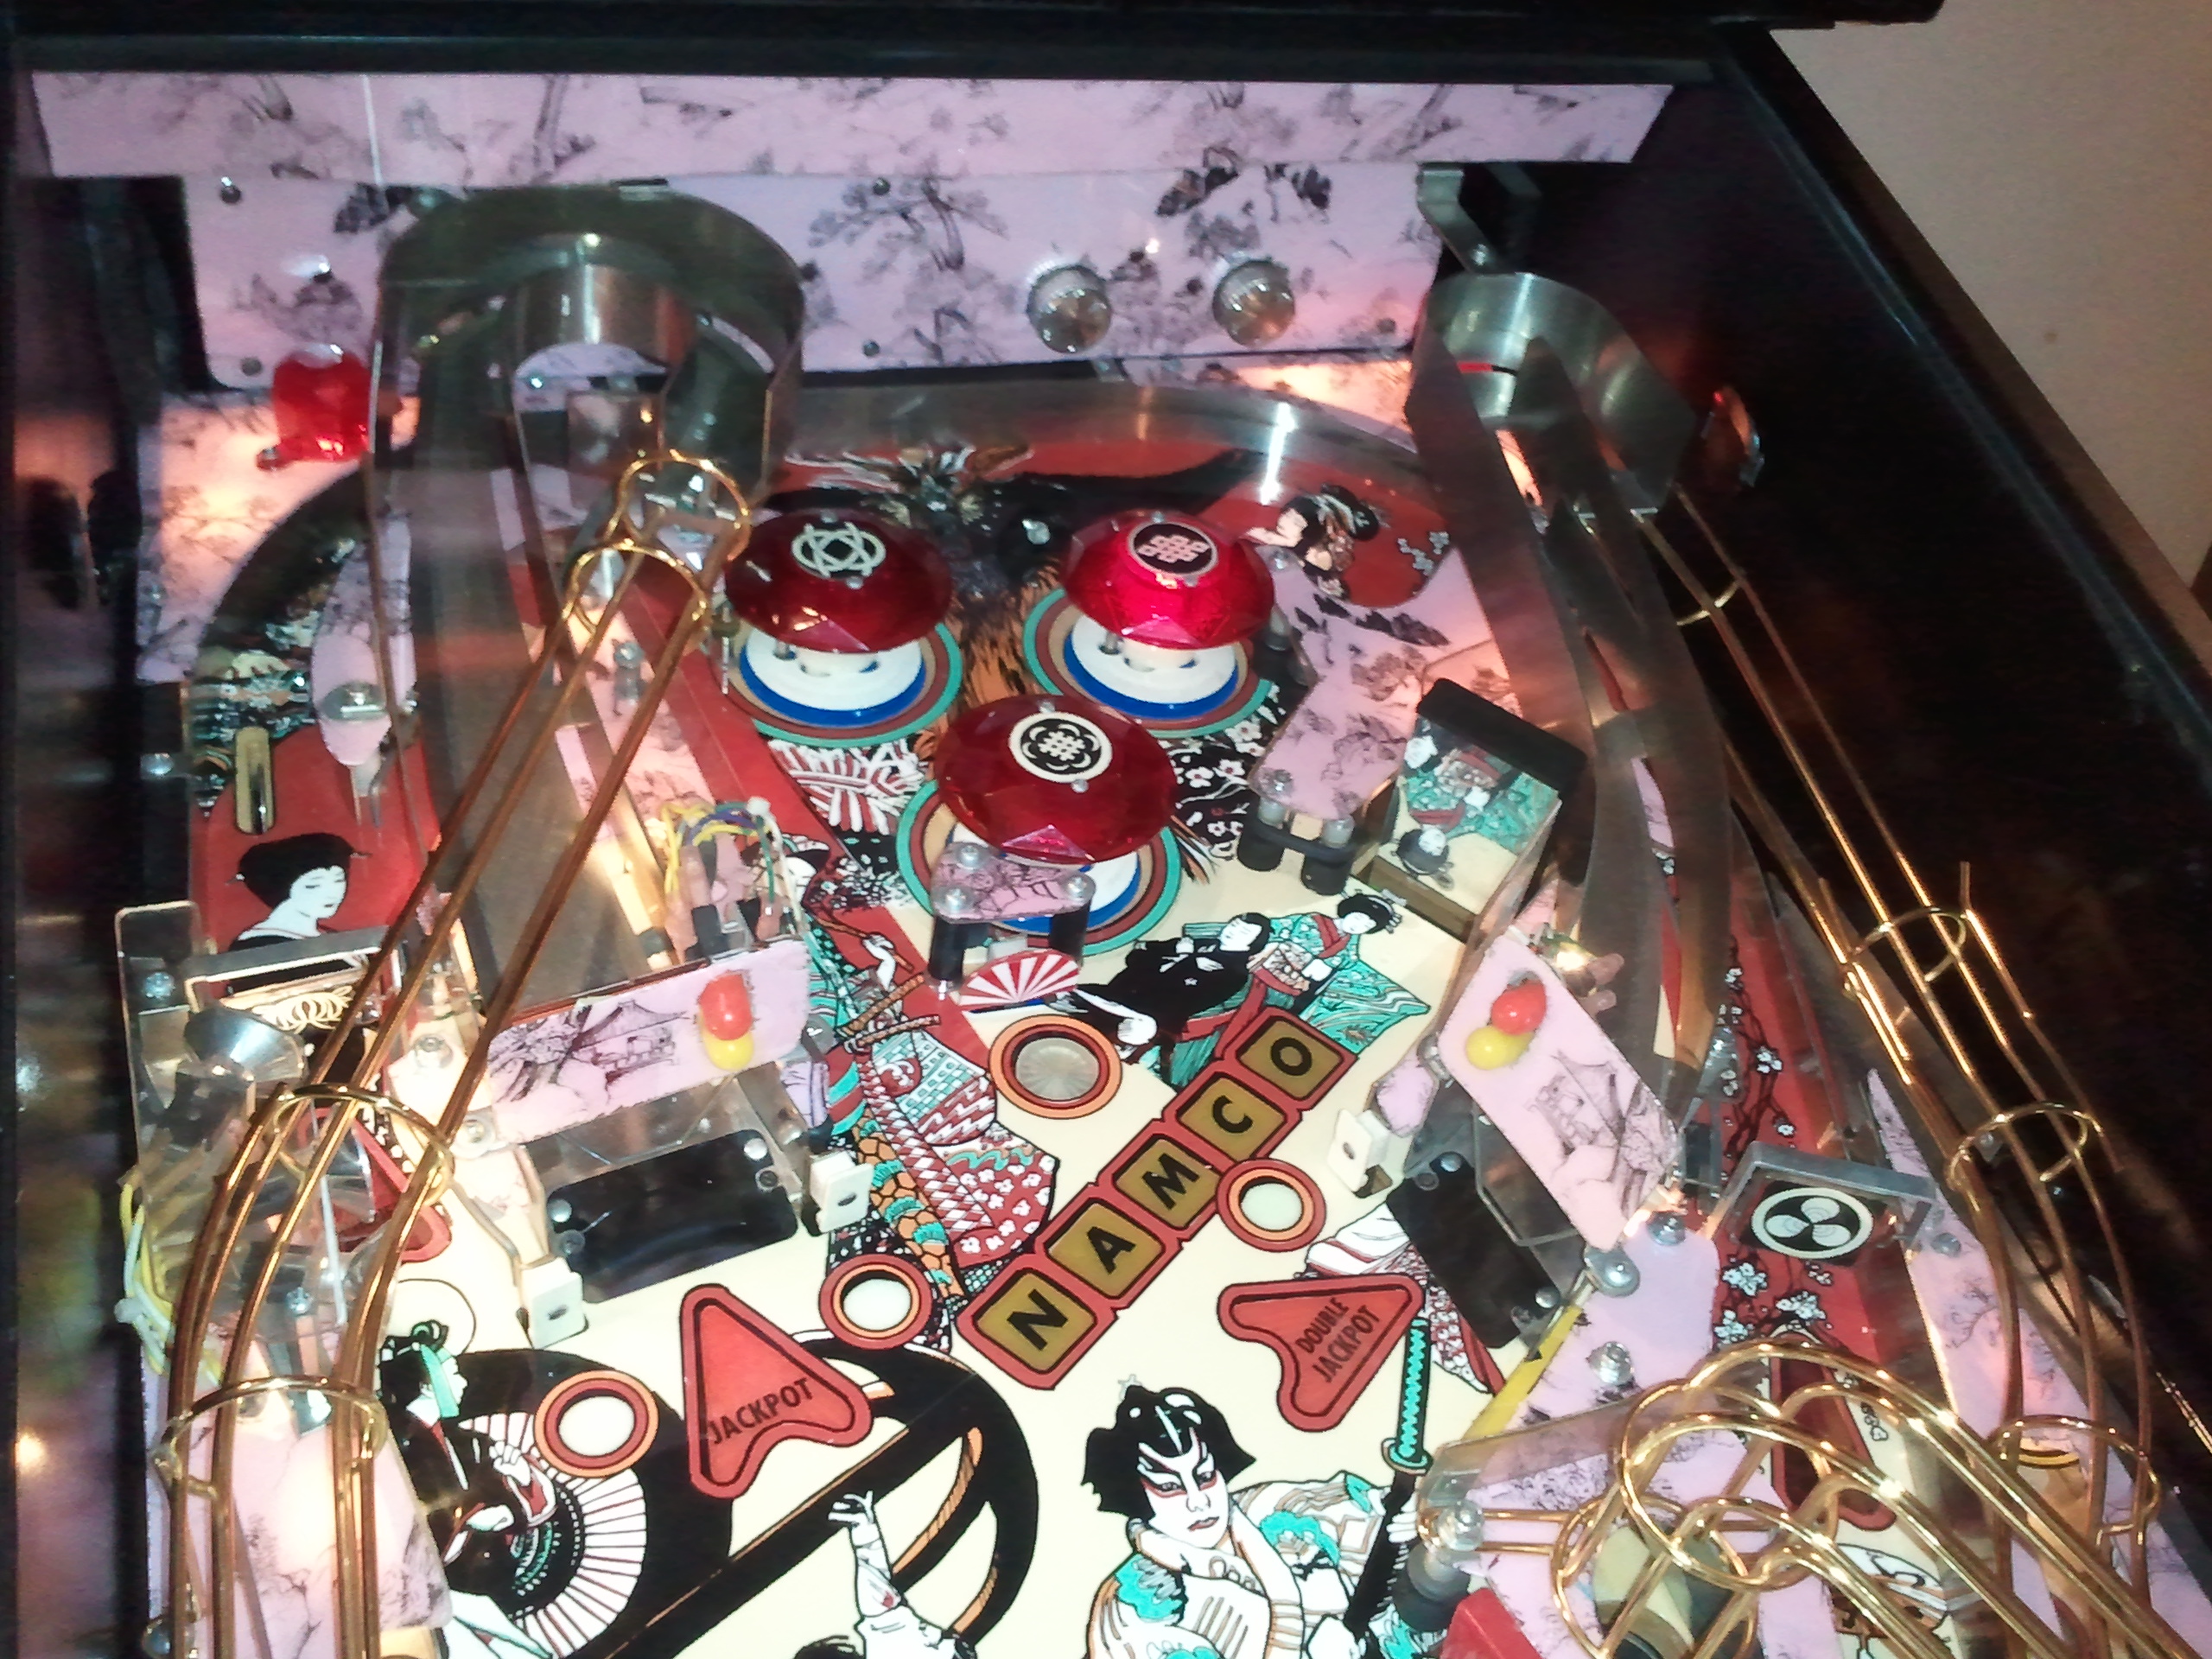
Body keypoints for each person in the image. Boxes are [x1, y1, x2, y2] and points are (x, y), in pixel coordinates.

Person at [1082, 1385, 1427, 1659]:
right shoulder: (1132, 1612)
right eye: (1170, 1487)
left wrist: (1414, 1522)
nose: (1198, 1501)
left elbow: (1378, 1527)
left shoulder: (1274, 1507)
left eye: (1205, 1477)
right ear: (1135, 1496)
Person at [801, 1491, 976, 1659]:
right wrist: (863, 1530)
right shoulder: (886, 1640)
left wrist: (864, 1531)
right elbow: (876, 1594)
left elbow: (877, 1595)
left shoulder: (886, 1640)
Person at [231, 831, 357, 949]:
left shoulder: (326, 935)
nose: (332, 893)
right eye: (313, 885)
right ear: (282, 888)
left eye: (339, 880)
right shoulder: (261, 944)